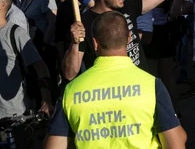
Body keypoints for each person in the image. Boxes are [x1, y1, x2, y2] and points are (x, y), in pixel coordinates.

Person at [44, 11, 186, 149]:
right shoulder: (152, 85)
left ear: (95, 43)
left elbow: (54, 145)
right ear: (129, 38)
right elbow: (175, 143)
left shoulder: (72, 90)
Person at [61, 0, 173, 79]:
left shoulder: (128, 6)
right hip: (109, 91)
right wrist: (75, 44)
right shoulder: (85, 23)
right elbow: (70, 74)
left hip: (138, 85)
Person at [0, 0, 52, 141]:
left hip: (14, 118)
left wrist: (46, 100)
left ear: (1, 6)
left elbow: (41, 68)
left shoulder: (16, 34)